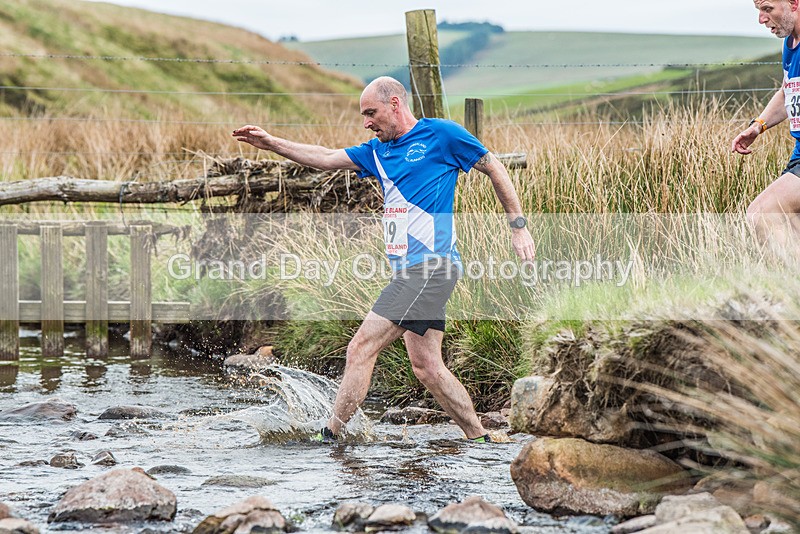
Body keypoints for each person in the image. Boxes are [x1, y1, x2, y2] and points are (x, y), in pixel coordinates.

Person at [233, 76, 535, 443]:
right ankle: (480, 437)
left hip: (431, 267)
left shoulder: (441, 135)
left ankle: (329, 437)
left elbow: (493, 166)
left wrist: (517, 226)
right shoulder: (377, 152)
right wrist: (272, 143)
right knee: (427, 367)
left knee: (360, 347)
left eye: (371, 113)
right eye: (364, 116)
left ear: (395, 104)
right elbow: (326, 157)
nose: (367, 123)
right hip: (412, 272)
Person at [732, 0, 800, 245]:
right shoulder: (790, 45)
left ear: (793, 3)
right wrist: (758, 126)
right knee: (790, 227)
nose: (761, 19)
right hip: (798, 155)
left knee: (763, 212)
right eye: (759, 10)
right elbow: (786, 92)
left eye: (768, 9)